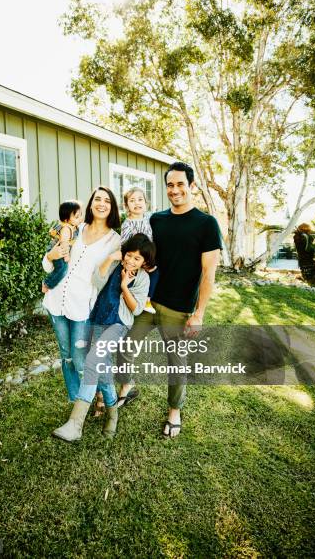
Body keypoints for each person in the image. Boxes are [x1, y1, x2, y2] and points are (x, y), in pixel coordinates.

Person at [117, 161, 223, 438]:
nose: (174, 190)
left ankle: (174, 411)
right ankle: (127, 388)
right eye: (170, 185)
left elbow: (209, 273)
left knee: (176, 362)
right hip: (149, 302)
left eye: (180, 184)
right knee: (125, 347)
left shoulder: (206, 224)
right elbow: (142, 252)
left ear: (191, 186)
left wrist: (198, 313)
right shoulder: (156, 219)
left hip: (179, 308)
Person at [52, 233, 156, 442]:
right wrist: (110, 259)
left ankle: (75, 424)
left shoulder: (143, 278)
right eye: (129, 255)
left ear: (145, 261)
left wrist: (125, 286)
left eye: (137, 258)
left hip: (118, 324)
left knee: (93, 362)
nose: (131, 260)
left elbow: (135, 310)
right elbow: (97, 281)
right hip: (97, 319)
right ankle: (112, 414)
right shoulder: (115, 265)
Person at [42, 187, 121, 404]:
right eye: (97, 199)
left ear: (112, 207)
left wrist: (110, 260)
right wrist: (50, 256)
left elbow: (100, 281)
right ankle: (76, 401)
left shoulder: (114, 240)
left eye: (107, 200)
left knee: (80, 359)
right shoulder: (75, 227)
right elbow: (50, 262)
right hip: (56, 301)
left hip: (81, 306)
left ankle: (98, 396)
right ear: (91, 203)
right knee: (66, 356)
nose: (101, 203)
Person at [120, 187, 159, 315]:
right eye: (132, 200)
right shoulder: (128, 223)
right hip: (135, 257)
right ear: (126, 206)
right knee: (139, 278)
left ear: (146, 204)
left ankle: (147, 299)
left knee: (154, 272)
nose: (137, 203)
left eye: (140, 199)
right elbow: (124, 244)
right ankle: (139, 301)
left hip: (147, 255)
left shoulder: (149, 218)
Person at [42, 200, 82, 292]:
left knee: (61, 269)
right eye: (76, 217)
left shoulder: (74, 226)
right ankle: (47, 283)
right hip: (59, 251)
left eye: (80, 215)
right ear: (66, 220)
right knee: (62, 269)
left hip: (59, 251)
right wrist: (66, 256)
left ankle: (48, 283)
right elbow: (64, 243)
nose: (80, 218)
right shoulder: (67, 229)